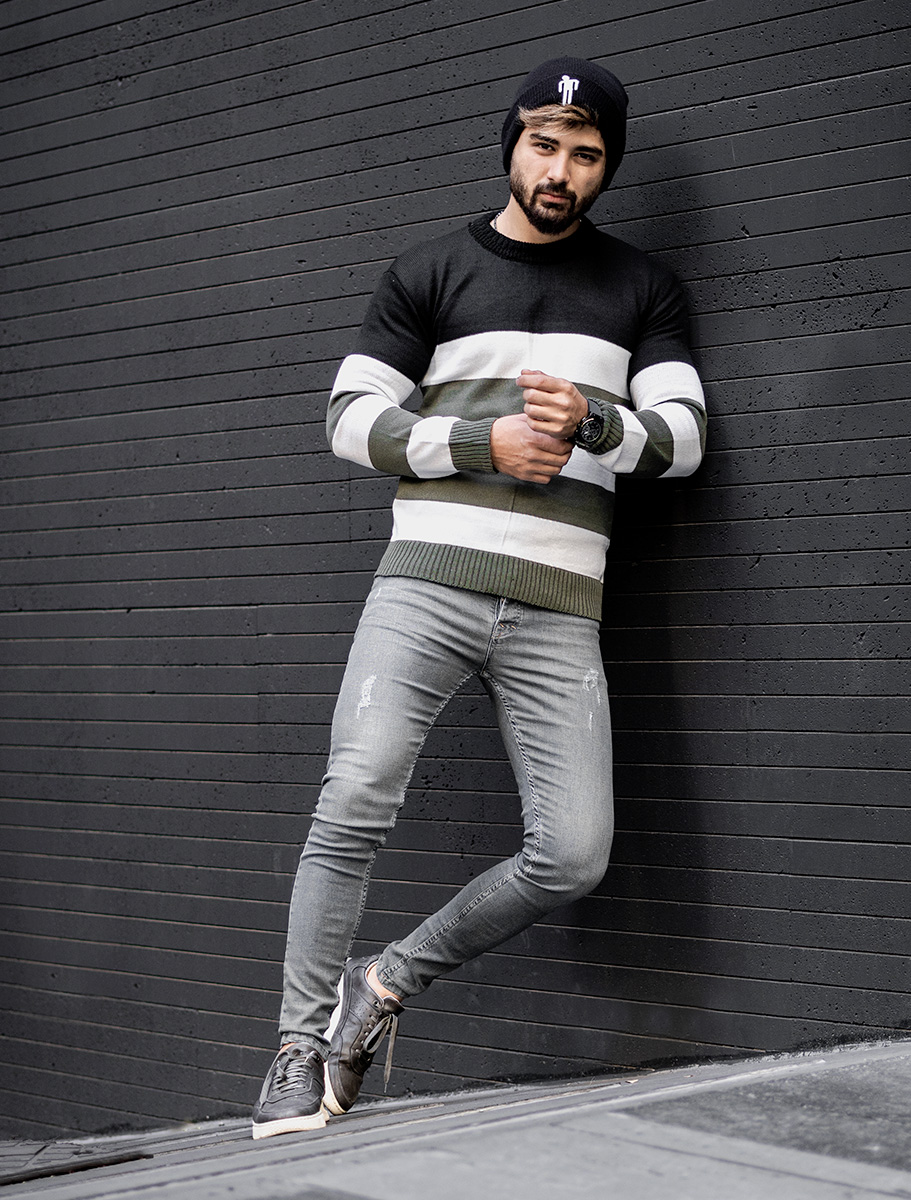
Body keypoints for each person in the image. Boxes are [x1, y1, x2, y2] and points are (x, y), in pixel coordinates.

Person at [251, 55, 707, 1138]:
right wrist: (477, 441)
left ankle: (384, 983)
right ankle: (297, 1045)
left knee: (574, 855)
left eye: (585, 155)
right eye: (544, 145)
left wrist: (592, 423)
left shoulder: (642, 287)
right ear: (512, 144)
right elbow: (348, 418)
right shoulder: (431, 271)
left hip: (558, 606)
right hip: (426, 586)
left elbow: (685, 439)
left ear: (606, 168)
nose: (560, 171)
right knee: (353, 797)